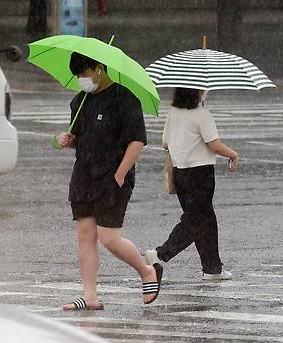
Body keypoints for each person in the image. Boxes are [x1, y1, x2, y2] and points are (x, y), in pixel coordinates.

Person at [57, 52, 161, 310]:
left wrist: (121, 173)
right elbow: (81, 139)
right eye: (78, 75)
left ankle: (147, 271)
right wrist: (68, 141)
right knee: (85, 235)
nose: (82, 79)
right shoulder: (79, 102)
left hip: (112, 177)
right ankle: (90, 295)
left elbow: (137, 140)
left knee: (110, 238)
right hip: (84, 176)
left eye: (85, 73)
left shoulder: (124, 99)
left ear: (99, 68)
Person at [143, 88, 239, 280]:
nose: (205, 91)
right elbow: (214, 144)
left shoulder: (173, 112)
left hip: (181, 173)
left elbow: (165, 144)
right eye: (203, 88)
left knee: (206, 221)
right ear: (196, 91)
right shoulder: (202, 114)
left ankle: (212, 269)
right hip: (200, 173)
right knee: (196, 220)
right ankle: (160, 254)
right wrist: (233, 154)